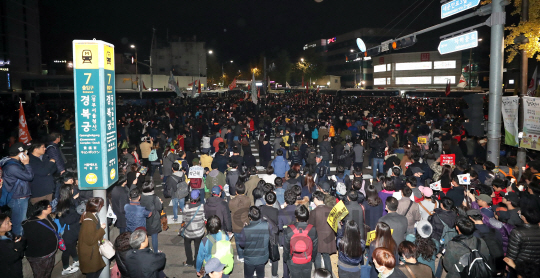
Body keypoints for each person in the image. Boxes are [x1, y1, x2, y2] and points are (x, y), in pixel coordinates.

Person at [0, 142, 33, 236]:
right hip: (18, 197)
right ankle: (17, 242)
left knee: (21, 220)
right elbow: (29, 176)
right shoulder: (12, 166)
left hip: (18, 196)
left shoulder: (13, 163)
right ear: (20, 153)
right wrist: (27, 163)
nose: (27, 152)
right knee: (19, 223)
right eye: (25, 151)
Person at [22, 200, 58, 278]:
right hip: (39, 257)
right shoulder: (31, 224)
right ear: (43, 209)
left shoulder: (47, 217)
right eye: (49, 206)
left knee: (48, 273)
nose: (51, 207)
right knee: (40, 275)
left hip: (50, 254)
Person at [284, 205, 318, 278]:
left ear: (296, 216)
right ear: (307, 216)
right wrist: (312, 259)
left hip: (293, 260)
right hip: (307, 259)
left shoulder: (289, 229)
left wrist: (286, 259)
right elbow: (315, 247)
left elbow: (286, 248)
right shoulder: (313, 229)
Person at [237, 206, 270, 278]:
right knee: (261, 274)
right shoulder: (266, 225)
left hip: (249, 259)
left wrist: (244, 228)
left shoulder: (245, 230)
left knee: (248, 275)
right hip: (263, 257)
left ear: (250, 217)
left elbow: (241, 244)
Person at [56, 183, 82, 275]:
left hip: (72, 230)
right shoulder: (66, 205)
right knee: (66, 250)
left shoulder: (65, 202)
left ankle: (76, 260)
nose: (73, 190)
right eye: (71, 189)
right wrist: (79, 214)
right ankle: (65, 268)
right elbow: (69, 220)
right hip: (69, 231)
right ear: (68, 191)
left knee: (72, 246)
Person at [308, 191, 336, 273]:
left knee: (317, 257)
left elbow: (310, 226)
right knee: (326, 256)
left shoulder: (314, 212)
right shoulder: (331, 209)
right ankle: (329, 274)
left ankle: (318, 274)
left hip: (318, 239)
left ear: (316, 199)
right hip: (328, 238)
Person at [79, 197, 107, 278]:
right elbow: (90, 240)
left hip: (92, 251)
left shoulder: (91, 215)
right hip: (90, 253)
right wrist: (102, 229)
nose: (102, 206)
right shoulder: (89, 222)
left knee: (98, 269)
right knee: (92, 273)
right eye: (101, 205)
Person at [182, 190, 206, 268]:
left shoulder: (186, 207)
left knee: (187, 245)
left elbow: (184, 219)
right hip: (199, 232)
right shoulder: (202, 207)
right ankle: (196, 262)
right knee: (197, 246)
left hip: (188, 232)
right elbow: (204, 218)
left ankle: (189, 261)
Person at [229, 182, 250, 262]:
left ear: (236, 192)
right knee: (246, 241)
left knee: (238, 242)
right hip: (246, 224)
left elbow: (231, 210)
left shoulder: (232, 202)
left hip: (236, 225)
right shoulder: (248, 199)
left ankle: (241, 256)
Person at [140, 181, 163, 253]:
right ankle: (155, 251)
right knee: (154, 236)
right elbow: (159, 208)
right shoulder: (154, 197)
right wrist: (160, 202)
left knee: (144, 234)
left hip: (144, 218)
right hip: (154, 218)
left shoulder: (141, 196)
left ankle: (145, 248)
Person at [0, 213, 25, 278]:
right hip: (9, 273)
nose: (11, 224)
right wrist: (18, 246)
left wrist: (17, 248)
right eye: (7, 223)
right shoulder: (3, 244)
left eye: (10, 221)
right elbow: (15, 257)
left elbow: (23, 241)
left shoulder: (8, 234)